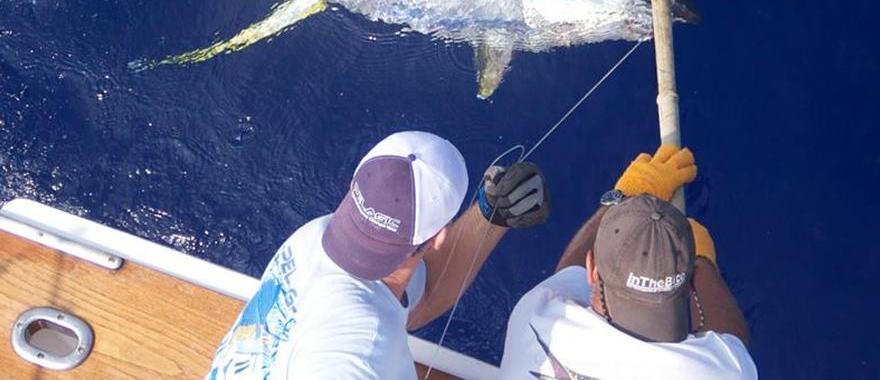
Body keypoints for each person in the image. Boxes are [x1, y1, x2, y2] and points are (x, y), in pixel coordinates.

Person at [208, 131, 549, 379]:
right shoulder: (366, 351)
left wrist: (491, 216)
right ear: (439, 236)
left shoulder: (315, 236)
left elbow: (422, 296)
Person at [500, 144, 757, 379]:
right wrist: (702, 264)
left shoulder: (535, 317)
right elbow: (733, 345)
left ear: (593, 269)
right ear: (689, 287)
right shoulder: (720, 372)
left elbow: (567, 275)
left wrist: (622, 195)